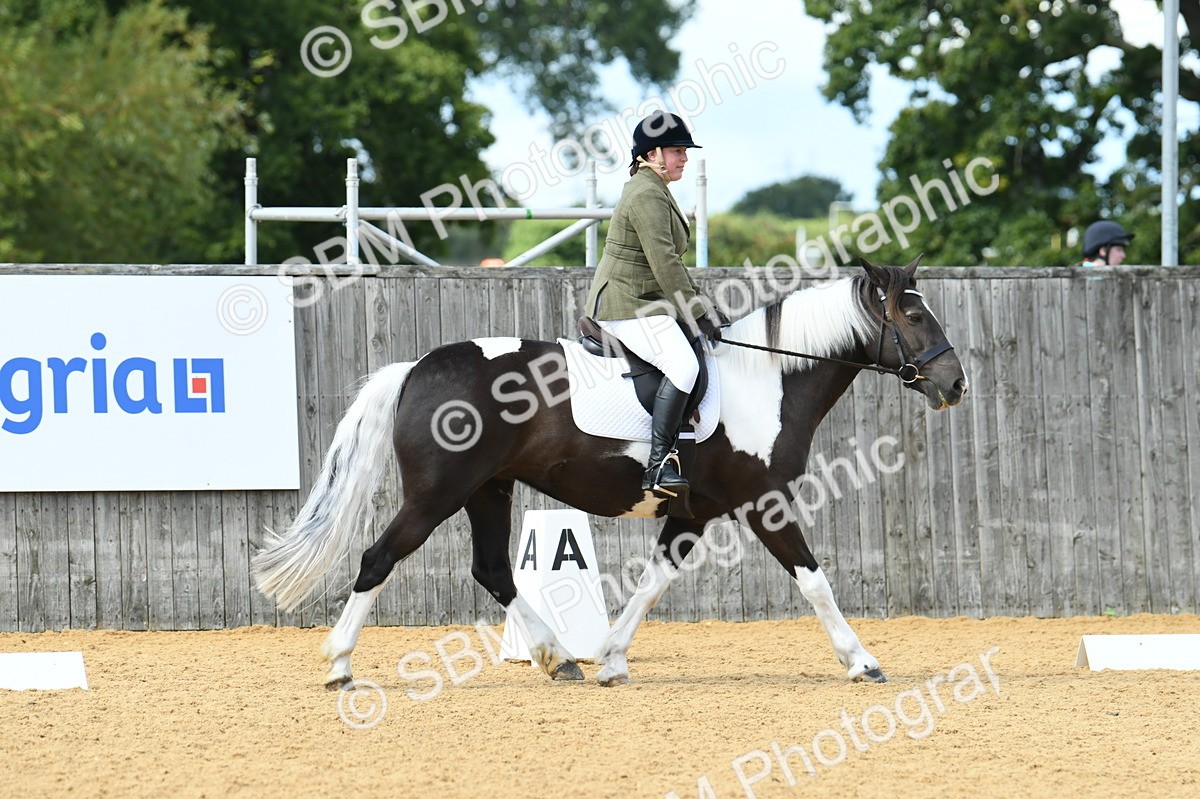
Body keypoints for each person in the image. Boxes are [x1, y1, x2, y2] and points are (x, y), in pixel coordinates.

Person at [585, 110, 721, 502]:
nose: (684, 158)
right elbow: (665, 262)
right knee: (683, 365)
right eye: (677, 151)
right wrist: (697, 313)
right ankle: (659, 463)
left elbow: (672, 265)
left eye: (684, 151)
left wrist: (702, 306)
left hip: (646, 301)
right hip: (627, 303)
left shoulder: (655, 188)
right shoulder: (646, 193)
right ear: (652, 153)